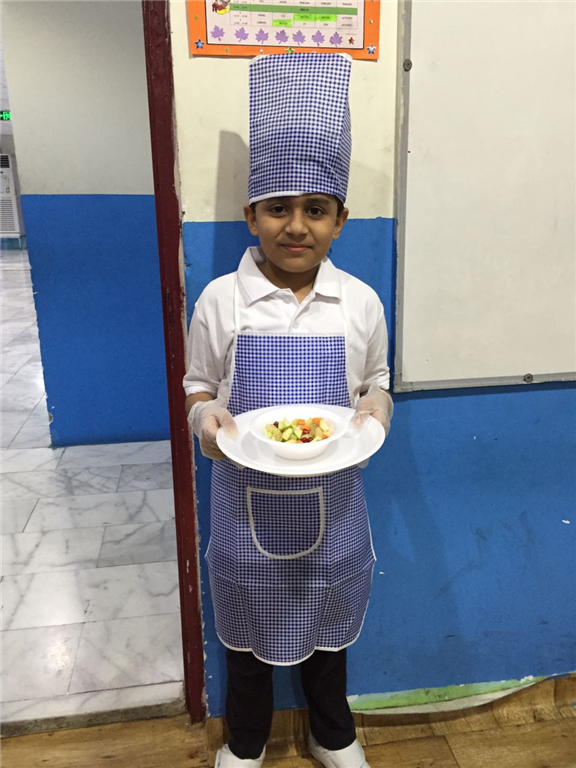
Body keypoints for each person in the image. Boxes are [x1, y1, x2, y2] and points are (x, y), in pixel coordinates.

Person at [183, 53, 393, 768]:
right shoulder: (220, 300)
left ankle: (333, 735)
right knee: (245, 637)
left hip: (333, 503)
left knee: (329, 633)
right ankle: (245, 742)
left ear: (340, 220)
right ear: (251, 216)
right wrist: (205, 419)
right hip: (243, 506)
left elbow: (376, 382)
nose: (296, 226)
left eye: (315, 209)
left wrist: (378, 406)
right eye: (278, 208)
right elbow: (198, 386)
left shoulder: (360, 302)